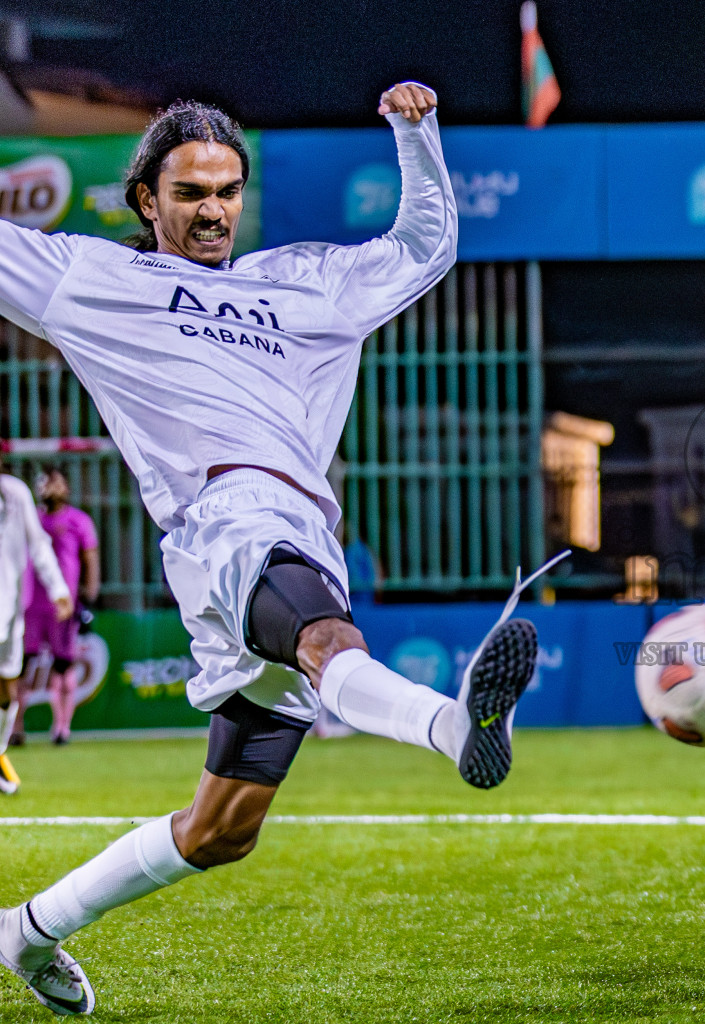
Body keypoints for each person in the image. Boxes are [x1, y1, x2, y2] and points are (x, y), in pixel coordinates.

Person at [0, 84, 551, 1016]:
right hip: (221, 521)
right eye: (189, 193)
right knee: (329, 639)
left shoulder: (306, 281)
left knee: (221, 830)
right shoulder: (89, 278)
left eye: (226, 191)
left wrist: (415, 135)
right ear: (146, 200)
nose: (212, 210)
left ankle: (24, 930)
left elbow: (424, 247)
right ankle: (455, 729)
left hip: (300, 530)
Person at [0, 473, 71, 794]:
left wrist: (58, 588)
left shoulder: (15, 493)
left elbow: (38, 544)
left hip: (10, 609)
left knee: (6, 687)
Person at [22, 467, 100, 744]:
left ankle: (61, 728)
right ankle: (15, 728)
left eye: (55, 482)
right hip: (29, 606)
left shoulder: (78, 521)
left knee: (63, 666)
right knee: (20, 668)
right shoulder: (30, 519)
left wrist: (90, 596)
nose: (49, 488)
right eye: (45, 483)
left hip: (63, 607)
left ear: (66, 487)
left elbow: (90, 557)